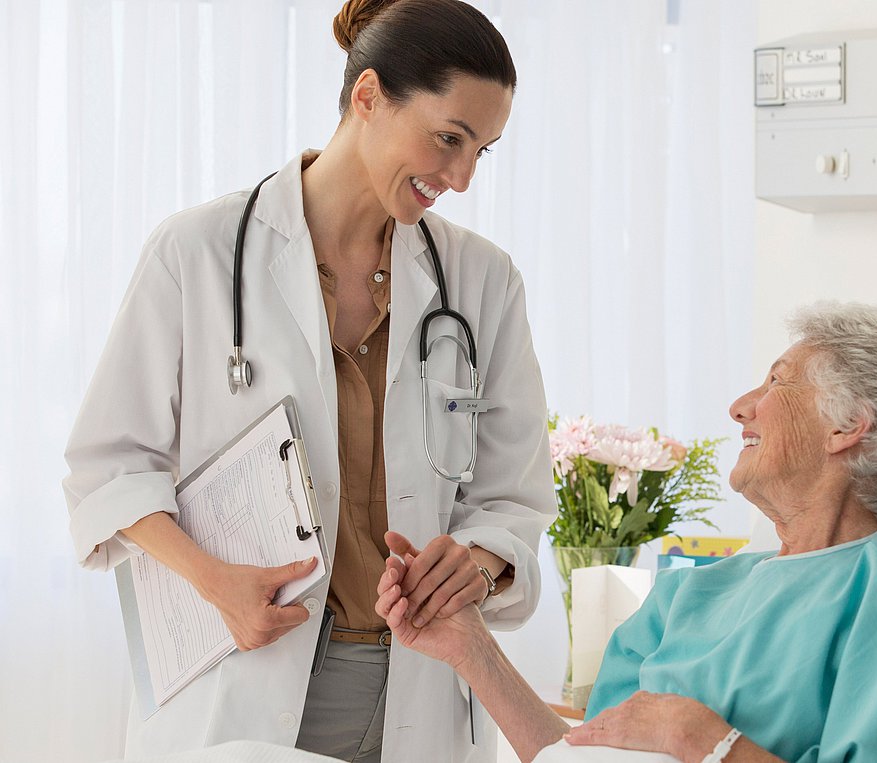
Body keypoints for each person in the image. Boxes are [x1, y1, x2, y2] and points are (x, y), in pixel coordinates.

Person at [62, 1, 554, 761]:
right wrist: (214, 580)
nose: (459, 177)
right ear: (368, 98)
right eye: (448, 138)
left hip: (417, 684)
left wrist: (480, 562)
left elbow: (514, 495)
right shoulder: (197, 254)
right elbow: (109, 468)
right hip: (246, 673)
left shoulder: (483, 282)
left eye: (481, 151)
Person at [375, 302, 877, 763]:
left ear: (850, 425)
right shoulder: (689, 594)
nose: (741, 406)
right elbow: (581, 757)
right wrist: (469, 646)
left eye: (778, 382)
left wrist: (699, 738)